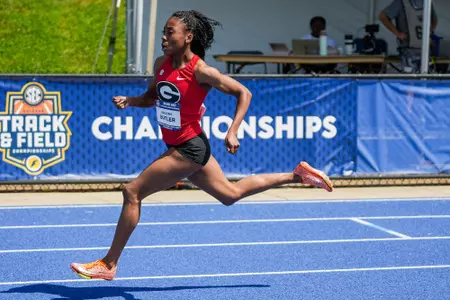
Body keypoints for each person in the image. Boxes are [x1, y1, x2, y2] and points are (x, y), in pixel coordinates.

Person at [70, 10, 334, 281]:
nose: (164, 36)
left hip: (189, 148)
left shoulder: (201, 71)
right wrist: (132, 100)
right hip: (189, 146)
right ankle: (297, 174)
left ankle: (109, 263)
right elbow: (152, 97)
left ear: (188, 37)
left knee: (132, 192)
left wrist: (233, 131)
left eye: (170, 32)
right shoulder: (162, 63)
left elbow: (244, 92)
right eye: (164, 30)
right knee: (230, 194)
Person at [379, 0, 438, 73]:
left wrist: (429, 32)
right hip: (409, 51)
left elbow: (434, 20)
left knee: (425, 77)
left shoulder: (427, 3)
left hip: (425, 50)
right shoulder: (400, 3)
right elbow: (383, 16)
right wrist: (397, 33)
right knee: (410, 78)